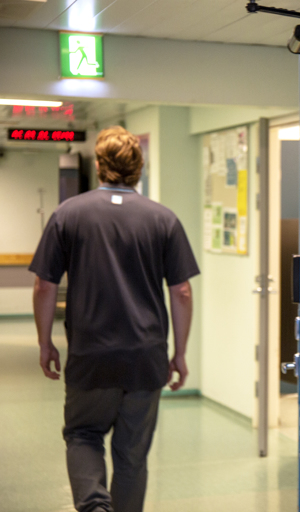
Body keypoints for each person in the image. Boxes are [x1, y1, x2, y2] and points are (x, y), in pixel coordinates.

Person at [30, 126, 200, 512]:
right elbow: (182, 292)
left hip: (90, 357)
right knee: (132, 455)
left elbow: (44, 284)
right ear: (139, 167)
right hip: (145, 358)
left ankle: (94, 507)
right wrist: (180, 352)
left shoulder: (68, 214)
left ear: (99, 165)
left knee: (83, 435)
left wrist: (44, 342)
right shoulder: (163, 219)